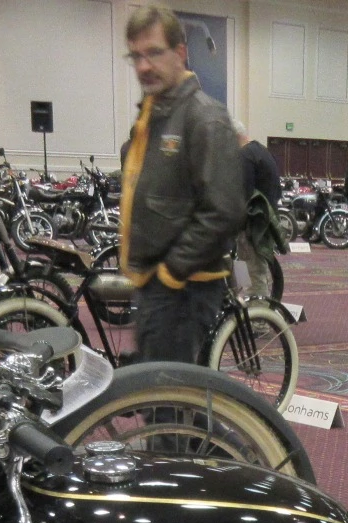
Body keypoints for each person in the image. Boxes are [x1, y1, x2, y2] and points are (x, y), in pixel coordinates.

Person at [119, 6, 244, 365]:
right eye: (136, 56)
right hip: (158, 284)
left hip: (183, 288)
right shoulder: (155, 114)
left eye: (154, 53)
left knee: (167, 405)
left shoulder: (204, 117)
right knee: (167, 400)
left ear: (180, 52)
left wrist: (171, 273)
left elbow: (223, 211)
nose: (143, 66)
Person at [233, 120, 281, 298]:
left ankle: (259, 322)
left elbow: (243, 193)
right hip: (264, 220)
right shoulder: (261, 151)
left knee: (254, 273)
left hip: (253, 224)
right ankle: (247, 304)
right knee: (246, 266)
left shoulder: (244, 156)